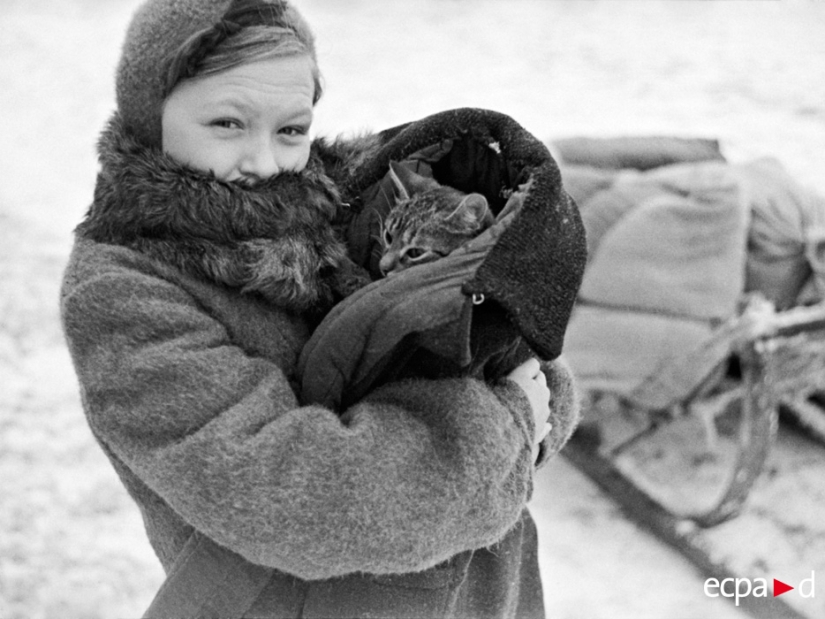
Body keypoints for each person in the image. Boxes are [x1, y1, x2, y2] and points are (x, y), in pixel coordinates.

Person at [60, 0, 580, 617]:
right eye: (227, 123)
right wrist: (514, 423)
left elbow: (534, 368)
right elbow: (301, 500)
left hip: (481, 595)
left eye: (291, 129)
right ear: (150, 119)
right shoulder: (125, 291)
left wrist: (532, 384)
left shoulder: (342, 202)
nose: (264, 162)